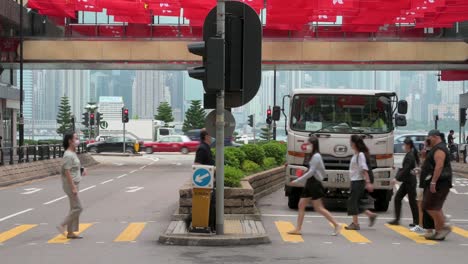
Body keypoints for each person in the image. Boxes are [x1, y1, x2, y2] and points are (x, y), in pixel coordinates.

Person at [286, 135, 341, 236]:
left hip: (314, 183)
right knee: (301, 205)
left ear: (313, 145)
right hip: (310, 183)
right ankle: (298, 229)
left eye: (309, 144)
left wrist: (299, 180)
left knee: (318, 208)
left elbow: (312, 172)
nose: (307, 146)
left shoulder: (316, 156)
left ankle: (336, 224)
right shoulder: (313, 155)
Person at [423, 130, 453, 241]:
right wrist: (425, 148)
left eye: (428, 138)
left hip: (440, 182)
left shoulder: (440, 149)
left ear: (435, 137)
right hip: (440, 182)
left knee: (430, 206)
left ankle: (443, 227)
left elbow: (439, 166)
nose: (427, 140)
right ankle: (440, 229)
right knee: (434, 206)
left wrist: (433, 182)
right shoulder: (435, 148)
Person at [56, 132, 86, 239]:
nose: (78, 140)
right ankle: (62, 225)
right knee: (78, 207)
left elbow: (74, 166)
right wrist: (73, 186)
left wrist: (82, 170)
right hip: (70, 184)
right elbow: (67, 171)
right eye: (76, 138)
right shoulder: (68, 154)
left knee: (73, 207)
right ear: (70, 141)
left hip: (75, 182)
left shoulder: (73, 153)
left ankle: (70, 232)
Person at [345, 135, 378, 230]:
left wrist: (368, 182)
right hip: (355, 181)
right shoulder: (357, 154)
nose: (350, 143)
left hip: (358, 182)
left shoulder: (360, 155)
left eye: (351, 142)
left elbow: (364, 169)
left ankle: (355, 224)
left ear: (354, 143)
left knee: (353, 202)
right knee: (356, 203)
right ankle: (371, 215)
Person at [388, 138, 420, 226]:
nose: (403, 146)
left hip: (410, 182)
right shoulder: (410, 154)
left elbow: (406, 169)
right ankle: (397, 219)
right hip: (407, 181)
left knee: (412, 201)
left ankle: (416, 222)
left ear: (408, 145)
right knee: (398, 198)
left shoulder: (410, 155)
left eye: (404, 144)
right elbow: (405, 168)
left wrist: (396, 178)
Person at [410, 138, 431, 234]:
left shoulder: (429, 156)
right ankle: (421, 225)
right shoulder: (425, 157)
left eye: (424, 146)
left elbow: (427, 171)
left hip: (424, 185)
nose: (422, 149)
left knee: (423, 206)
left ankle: (422, 226)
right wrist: (418, 170)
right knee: (420, 204)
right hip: (422, 184)